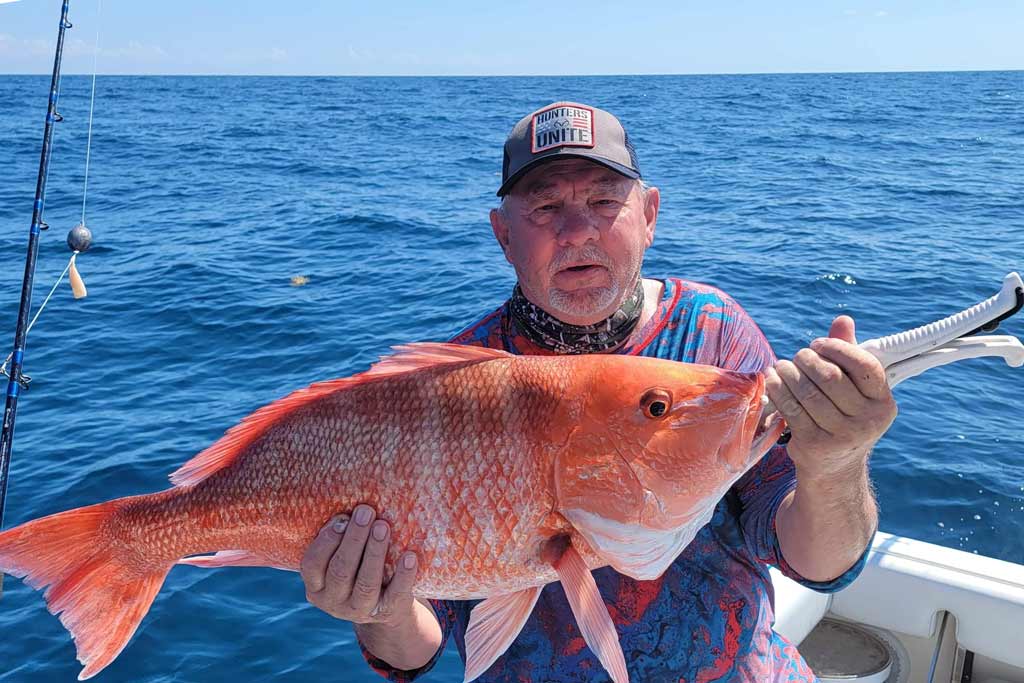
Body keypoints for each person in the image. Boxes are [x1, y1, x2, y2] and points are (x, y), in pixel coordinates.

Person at [299, 101, 897, 682]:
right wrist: (380, 610)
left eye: (605, 201)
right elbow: (415, 649)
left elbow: (821, 567)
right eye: (546, 207)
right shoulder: (453, 389)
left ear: (650, 215)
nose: (578, 230)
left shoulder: (712, 334)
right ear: (503, 234)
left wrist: (834, 465)